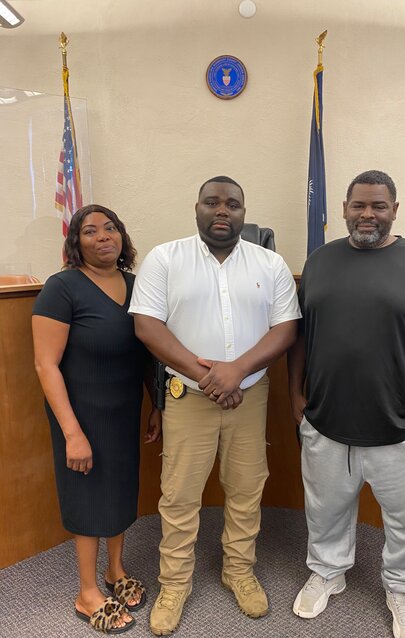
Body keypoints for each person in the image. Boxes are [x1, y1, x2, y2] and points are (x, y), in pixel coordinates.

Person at [288, 170, 405, 638]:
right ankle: (328, 572)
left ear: (394, 210)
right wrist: (297, 398)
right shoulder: (320, 262)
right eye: (359, 205)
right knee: (324, 511)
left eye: (379, 206)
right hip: (326, 422)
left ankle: (403, 590)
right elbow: (300, 337)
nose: (368, 214)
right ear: (344, 208)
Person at [129, 176, 301, 635]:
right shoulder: (166, 258)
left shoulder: (271, 262)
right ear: (197, 207)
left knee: (247, 489)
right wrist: (211, 375)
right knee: (180, 494)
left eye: (233, 204)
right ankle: (175, 584)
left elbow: (285, 329)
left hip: (250, 395)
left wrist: (237, 369)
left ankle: (238, 571)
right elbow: (147, 325)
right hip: (188, 396)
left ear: (244, 213)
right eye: (212, 202)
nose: (222, 211)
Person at [32, 204, 161, 634]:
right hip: (80, 415)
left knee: (121, 491)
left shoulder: (136, 284)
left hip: (124, 411)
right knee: (88, 498)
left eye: (111, 228)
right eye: (90, 231)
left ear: (122, 236)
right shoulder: (61, 288)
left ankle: (115, 571)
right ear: (76, 241)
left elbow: (147, 353)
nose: (103, 236)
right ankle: (87, 591)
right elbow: (46, 366)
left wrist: (155, 404)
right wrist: (72, 433)